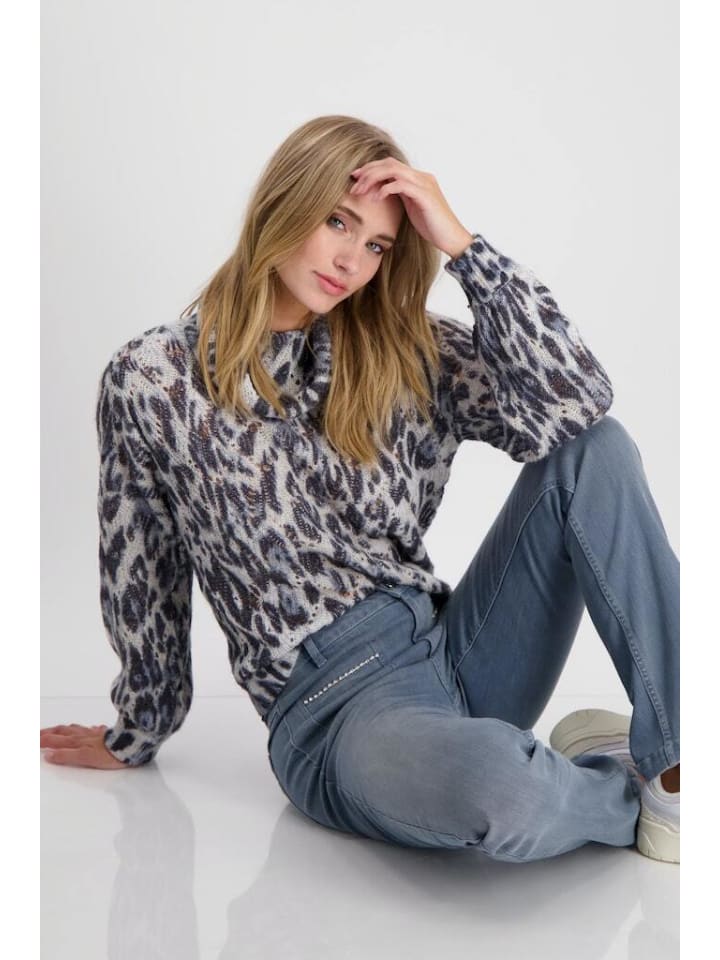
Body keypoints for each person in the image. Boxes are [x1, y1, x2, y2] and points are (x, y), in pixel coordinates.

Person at [40, 115, 680, 865]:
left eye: (377, 244)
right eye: (338, 222)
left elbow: (575, 405)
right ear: (285, 202)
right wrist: (138, 729)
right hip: (336, 718)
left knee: (596, 450)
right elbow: (141, 565)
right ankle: (616, 784)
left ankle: (681, 757)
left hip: (460, 648)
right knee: (506, 792)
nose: (352, 260)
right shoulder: (153, 380)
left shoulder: (401, 350)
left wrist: (463, 249)